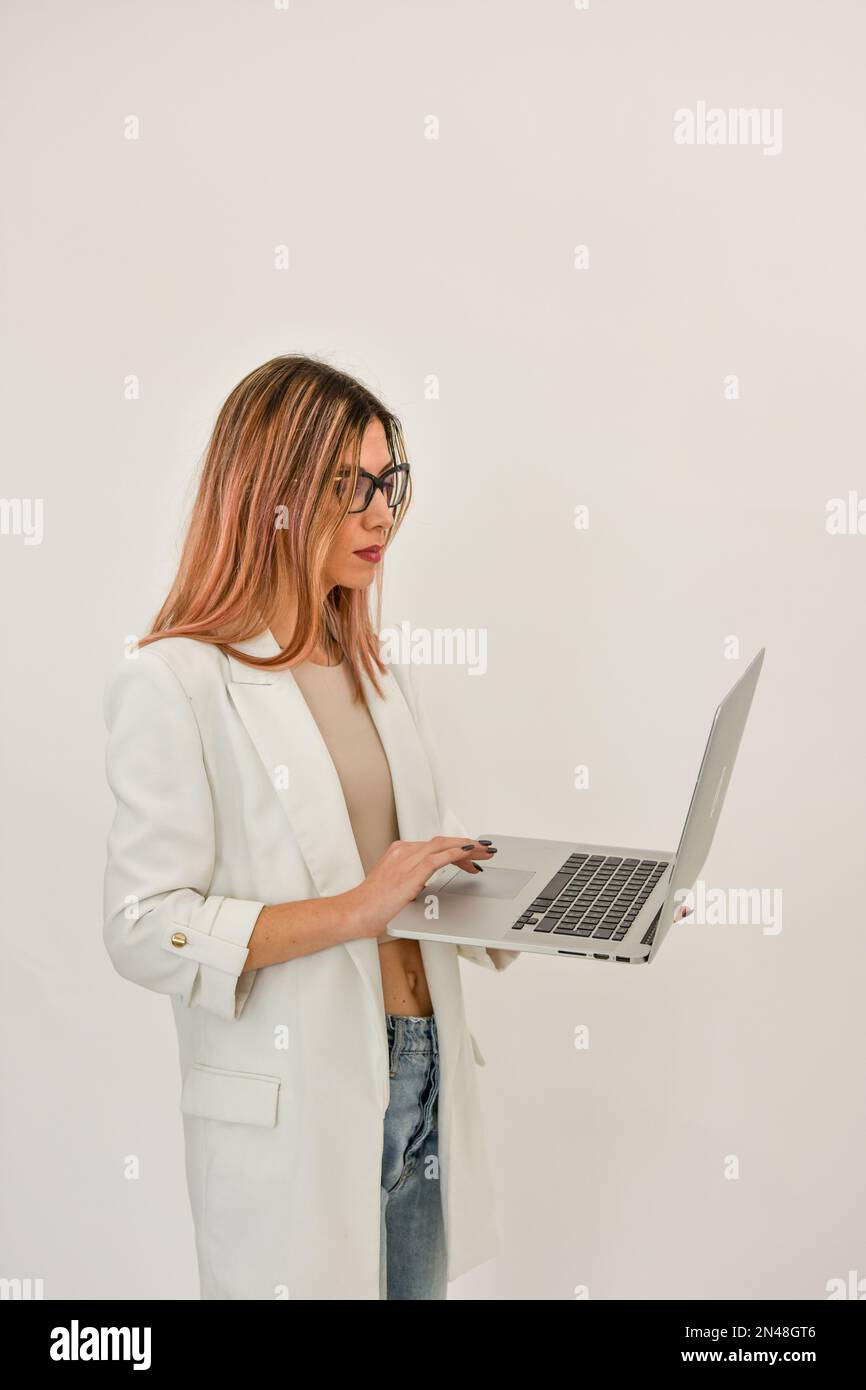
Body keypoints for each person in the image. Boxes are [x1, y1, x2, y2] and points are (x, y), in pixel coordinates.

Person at [102, 353, 519, 1301]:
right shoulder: (174, 682)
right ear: (271, 496)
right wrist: (352, 912)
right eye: (350, 487)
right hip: (301, 1107)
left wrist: (550, 900)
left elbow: (415, 868)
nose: (381, 513)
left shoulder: (375, 670)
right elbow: (140, 926)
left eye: (389, 483)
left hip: (419, 1078)